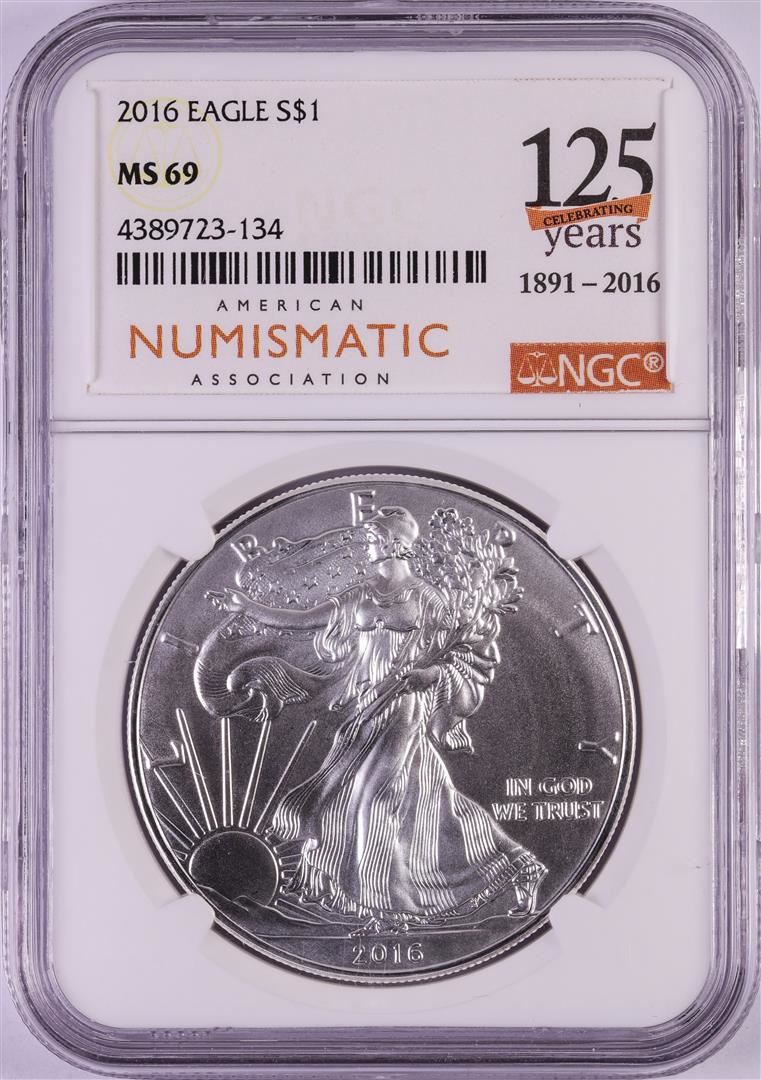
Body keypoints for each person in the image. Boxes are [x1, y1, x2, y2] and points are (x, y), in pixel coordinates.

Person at [206, 505, 546, 928]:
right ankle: (518, 865)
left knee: (371, 799)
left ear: (395, 544)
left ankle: (386, 907)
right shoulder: (360, 595)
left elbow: (460, 656)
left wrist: (428, 675)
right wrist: (250, 607)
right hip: (366, 707)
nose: (364, 547)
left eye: (371, 540)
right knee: (411, 802)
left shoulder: (427, 598)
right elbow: (303, 621)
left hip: (404, 708)